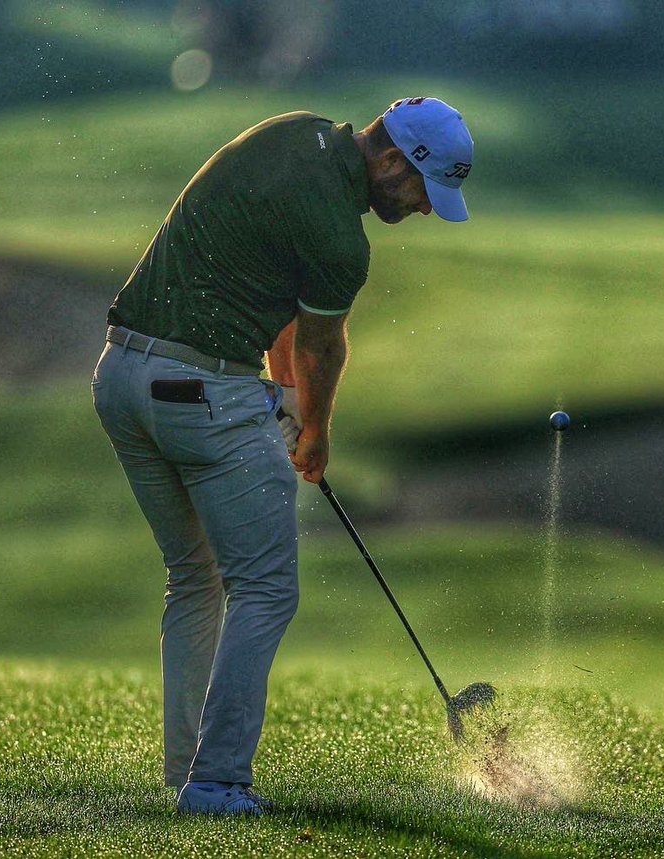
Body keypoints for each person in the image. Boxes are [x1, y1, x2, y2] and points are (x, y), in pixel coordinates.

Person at [90, 97, 474, 816]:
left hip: (120, 377)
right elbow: (320, 344)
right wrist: (316, 432)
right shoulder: (342, 240)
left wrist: (286, 396)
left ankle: (187, 773)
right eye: (423, 190)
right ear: (392, 162)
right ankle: (217, 781)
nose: (425, 208)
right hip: (203, 392)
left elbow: (275, 296)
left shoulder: (293, 134)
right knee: (265, 587)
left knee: (193, 578)